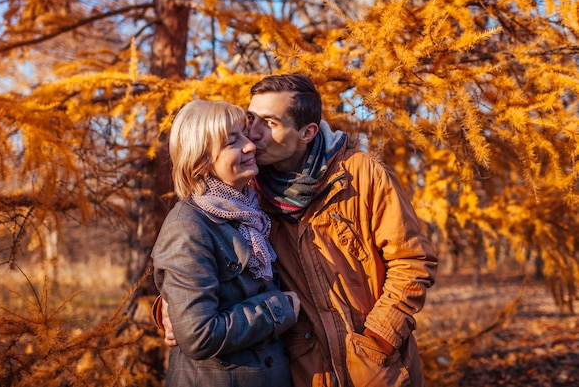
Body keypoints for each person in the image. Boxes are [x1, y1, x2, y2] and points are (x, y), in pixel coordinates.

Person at [243, 73, 438, 387]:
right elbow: (206, 258)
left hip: (378, 370)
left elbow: (412, 261)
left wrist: (379, 338)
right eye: (251, 118)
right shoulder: (244, 192)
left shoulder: (360, 174)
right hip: (302, 373)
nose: (253, 133)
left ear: (306, 133)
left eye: (270, 122)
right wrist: (174, 307)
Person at [151, 99, 301, 387]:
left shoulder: (253, 211)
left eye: (246, 135)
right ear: (201, 163)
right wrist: (278, 308)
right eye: (233, 142)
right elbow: (199, 335)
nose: (250, 146)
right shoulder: (188, 226)